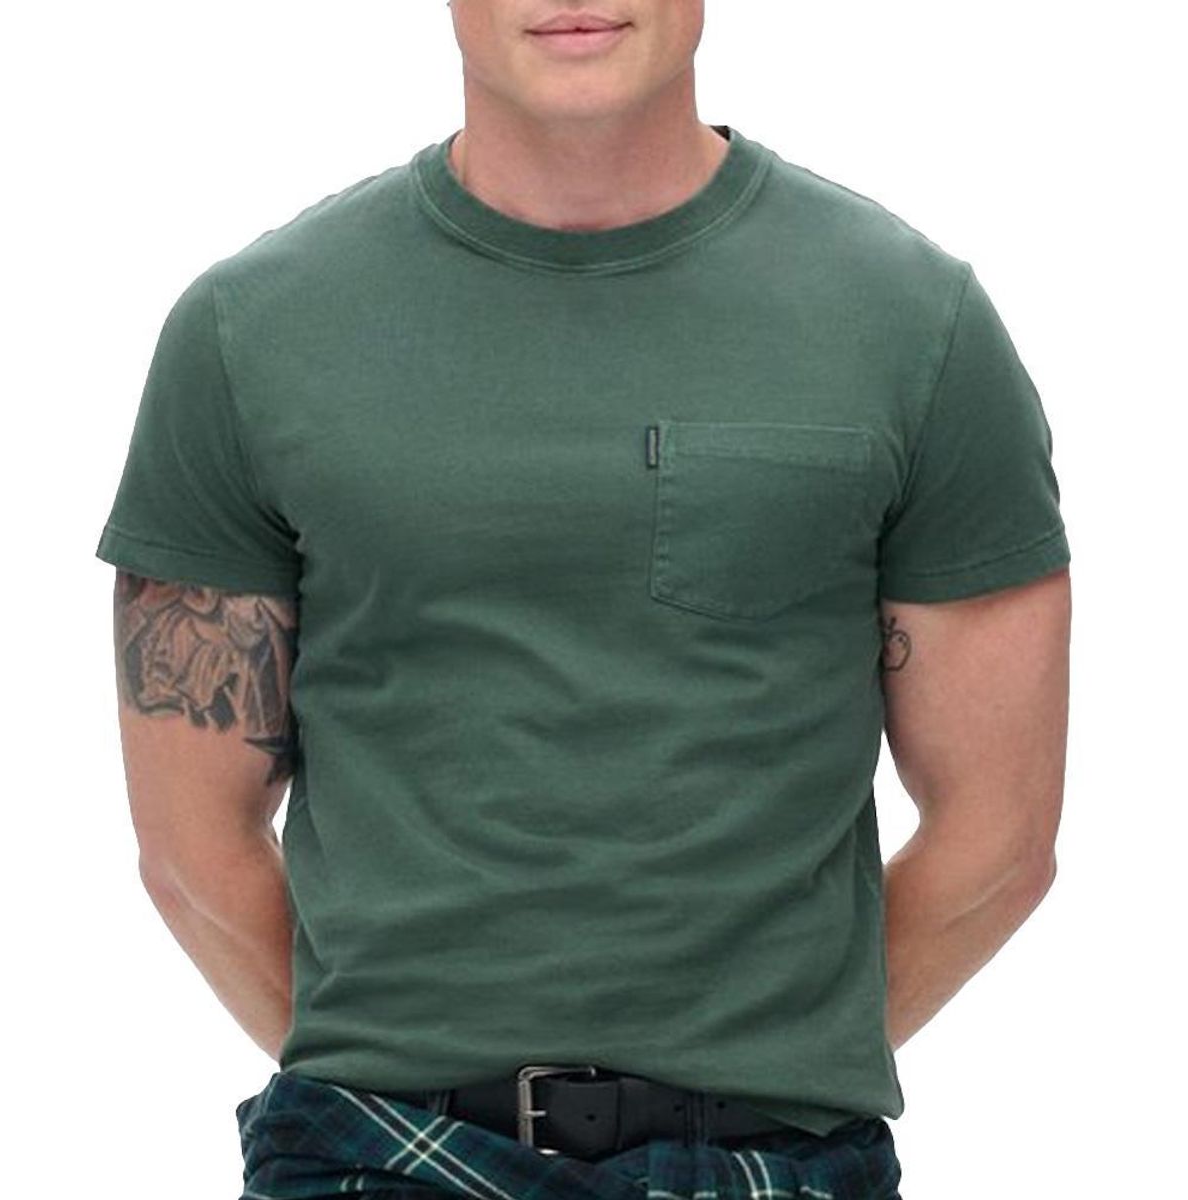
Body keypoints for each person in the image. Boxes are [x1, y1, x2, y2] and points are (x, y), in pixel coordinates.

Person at [95, 2, 1072, 1197]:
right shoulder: (249, 334)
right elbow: (191, 846)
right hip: (371, 1154)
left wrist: (776, 1065)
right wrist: (391, 1072)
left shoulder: (916, 325)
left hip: (778, 1163)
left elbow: (1000, 838)